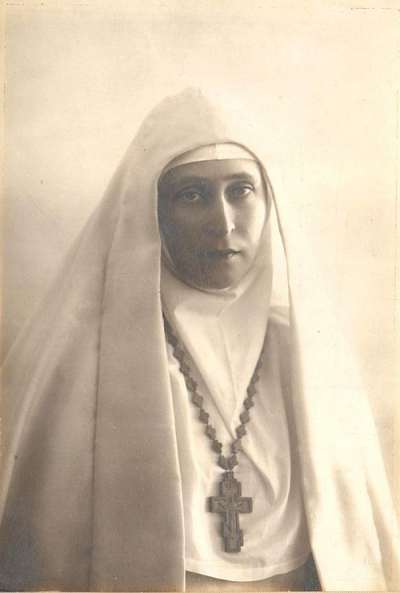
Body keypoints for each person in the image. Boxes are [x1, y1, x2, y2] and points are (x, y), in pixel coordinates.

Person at [0, 88, 398, 592]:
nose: (223, 223)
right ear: (152, 212)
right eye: (191, 195)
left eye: (241, 190)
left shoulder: (308, 353)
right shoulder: (88, 360)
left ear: (269, 200)